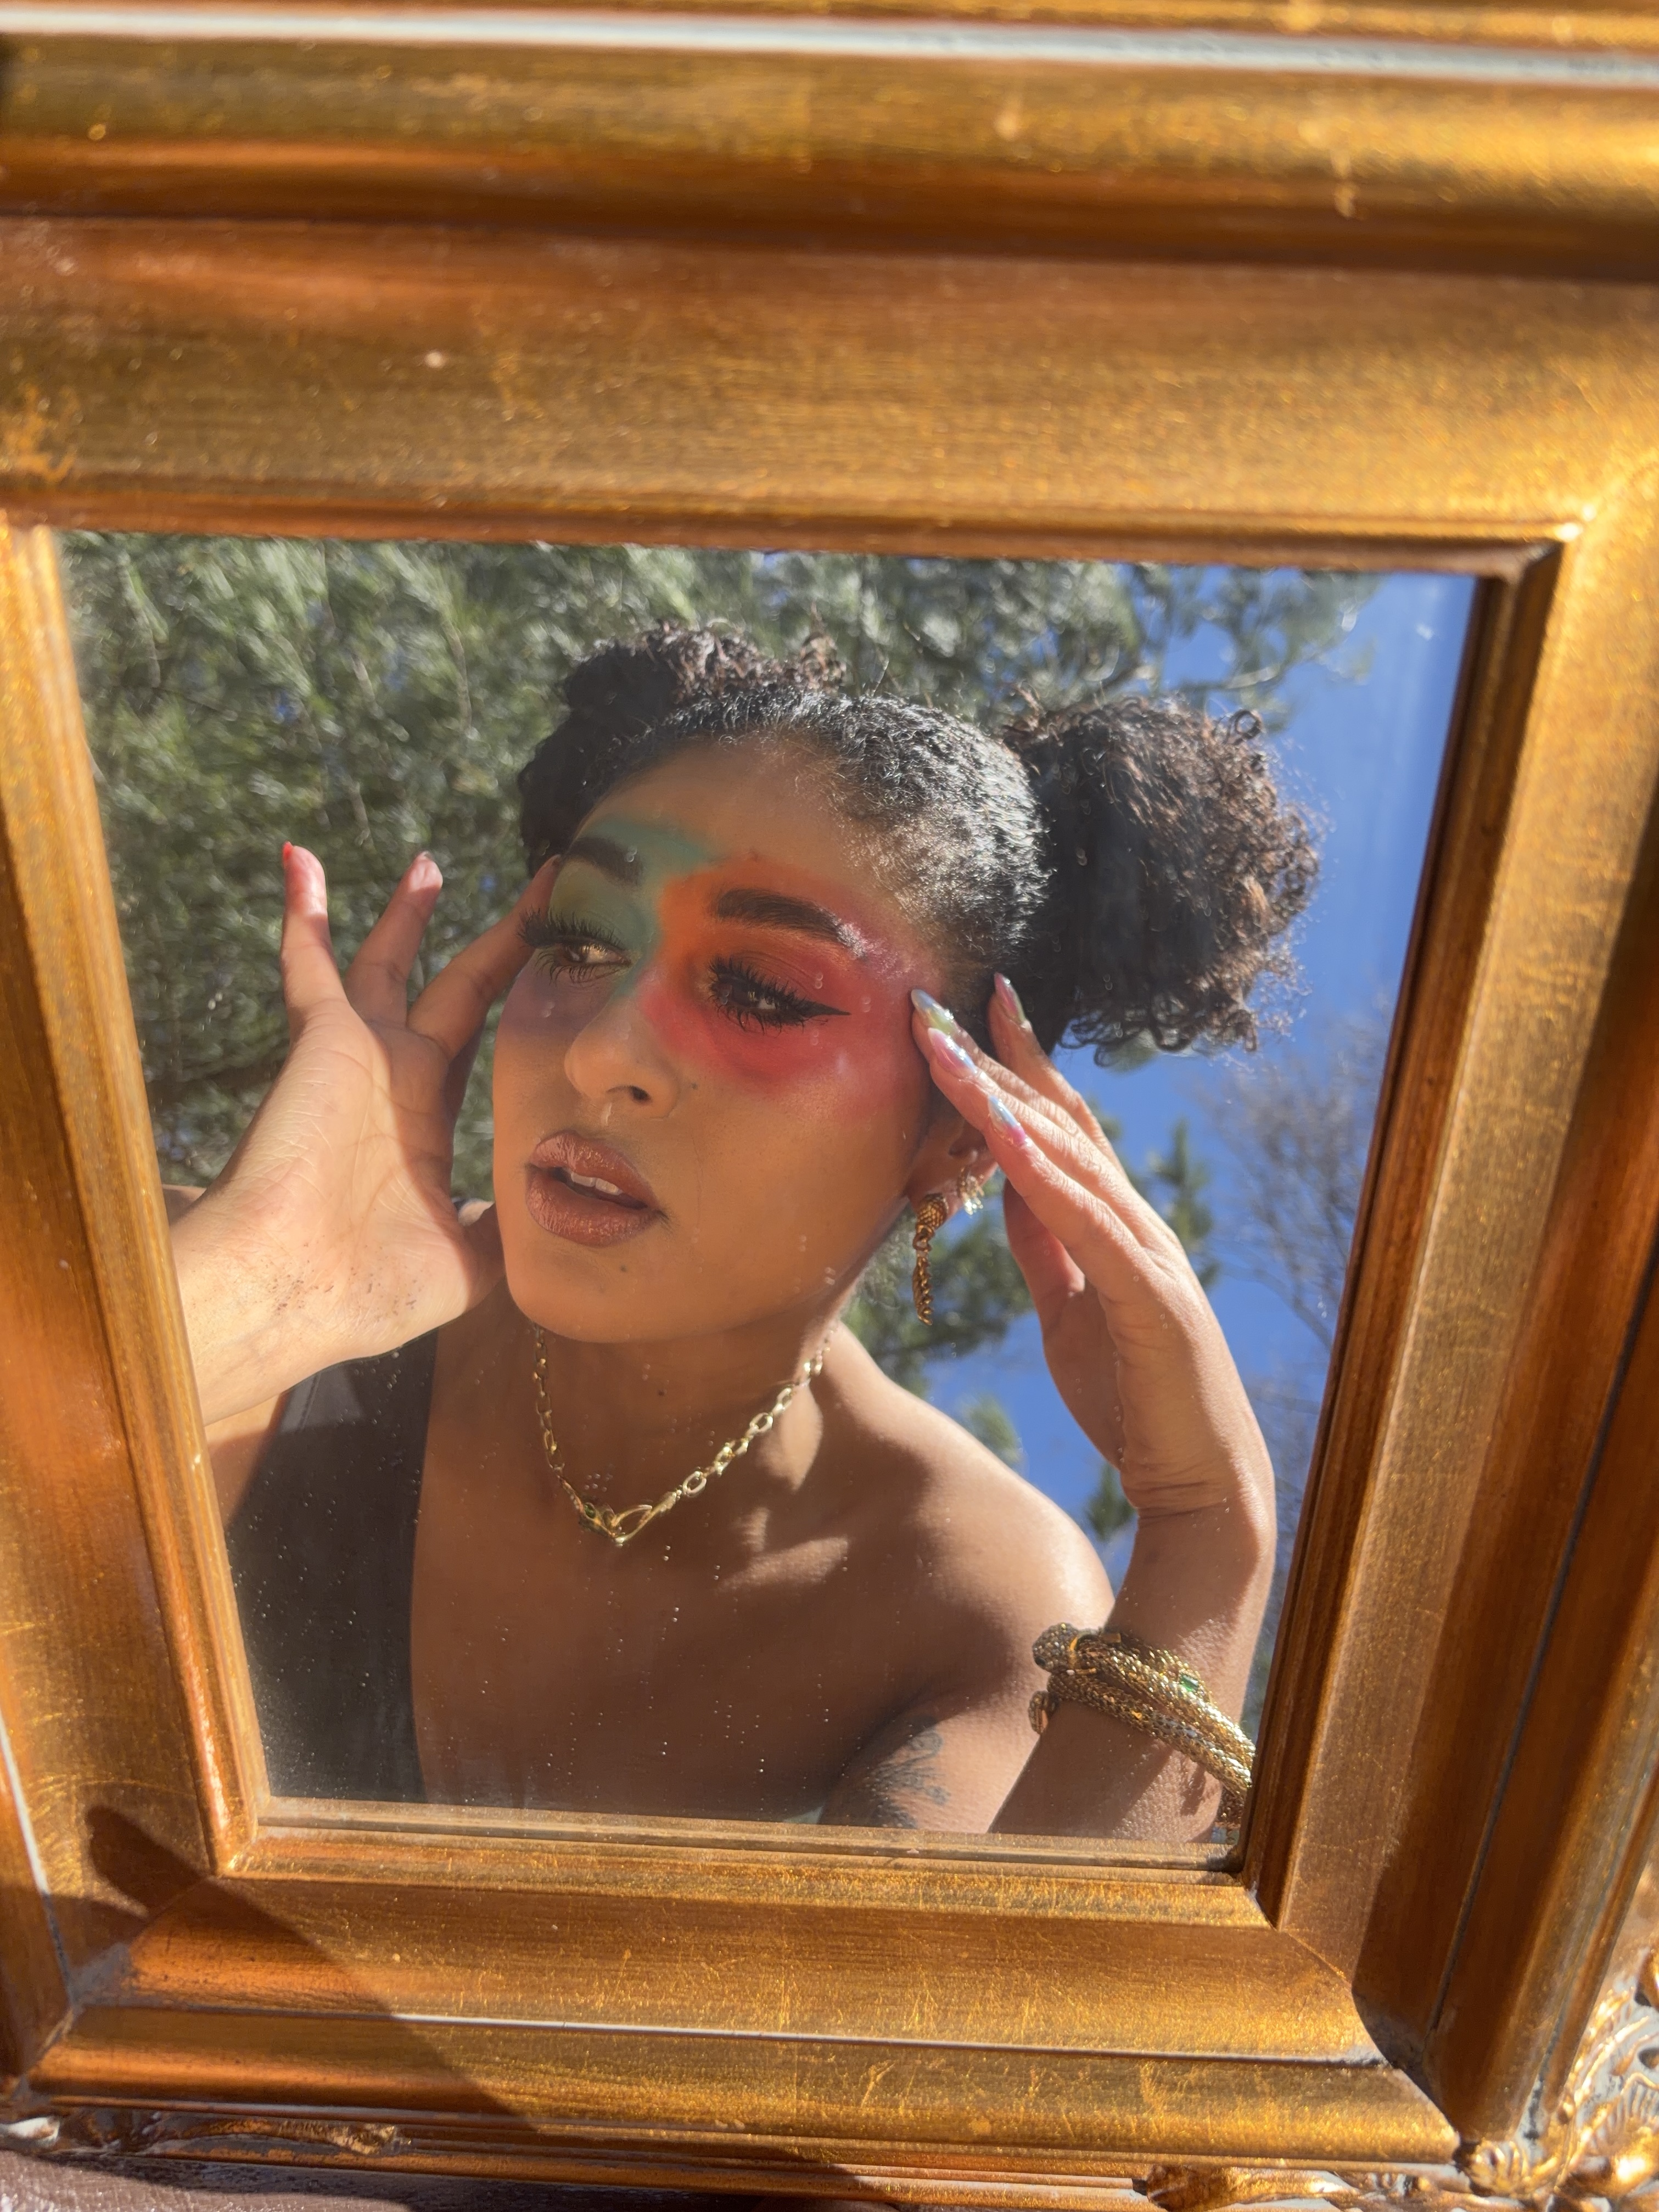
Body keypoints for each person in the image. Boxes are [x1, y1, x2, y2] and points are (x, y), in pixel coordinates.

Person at [170, 625, 1309, 1837]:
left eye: (763, 991)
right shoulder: (257, 1301)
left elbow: (1005, 1971)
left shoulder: (969, 1601)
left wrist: (1208, 1530)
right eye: (580, 942)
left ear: (959, 1136)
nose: (601, 1051)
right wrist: (255, 1299)